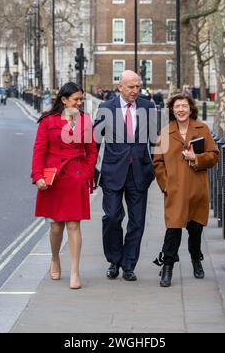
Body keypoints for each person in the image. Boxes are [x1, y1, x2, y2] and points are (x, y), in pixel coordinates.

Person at [31, 82, 98, 289]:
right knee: (56, 226)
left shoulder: (85, 121)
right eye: (76, 99)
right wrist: (38, 176)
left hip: (75, 177)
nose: (80, 103)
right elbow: (39, 151)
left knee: (73, 225)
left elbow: (92, 150)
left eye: (81, 99)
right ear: (64, 100)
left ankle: (75, 272)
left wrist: (86, 174)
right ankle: (54, 258)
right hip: (54, 179)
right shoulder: (48, 121)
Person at [94, 70, 157, 282]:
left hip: (139, 173)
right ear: (120, 87)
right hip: (112, 172)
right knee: (112, 218)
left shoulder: (148, 107)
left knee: (137, 222)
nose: (135, 91)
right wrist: (91, 171)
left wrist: (156, 169)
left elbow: (155, 142)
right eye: (131, 87)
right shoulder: (106, 108)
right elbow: (95, 141)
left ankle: (129, 265)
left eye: (138, 86)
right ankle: (114, 260)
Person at [153, 93, 219, 287]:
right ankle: (167, 267)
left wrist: (196, 159)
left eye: (184, 106)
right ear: (172, 110)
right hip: (175, 192)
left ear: (191, 109)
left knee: (195, 229)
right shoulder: (165, 133)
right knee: (173, 230)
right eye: (177, 106)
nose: (181, 109)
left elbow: (214, 155)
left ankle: (196, 258)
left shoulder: (202, 129)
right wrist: (166, 185)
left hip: (197, 191)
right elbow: (157, 163)